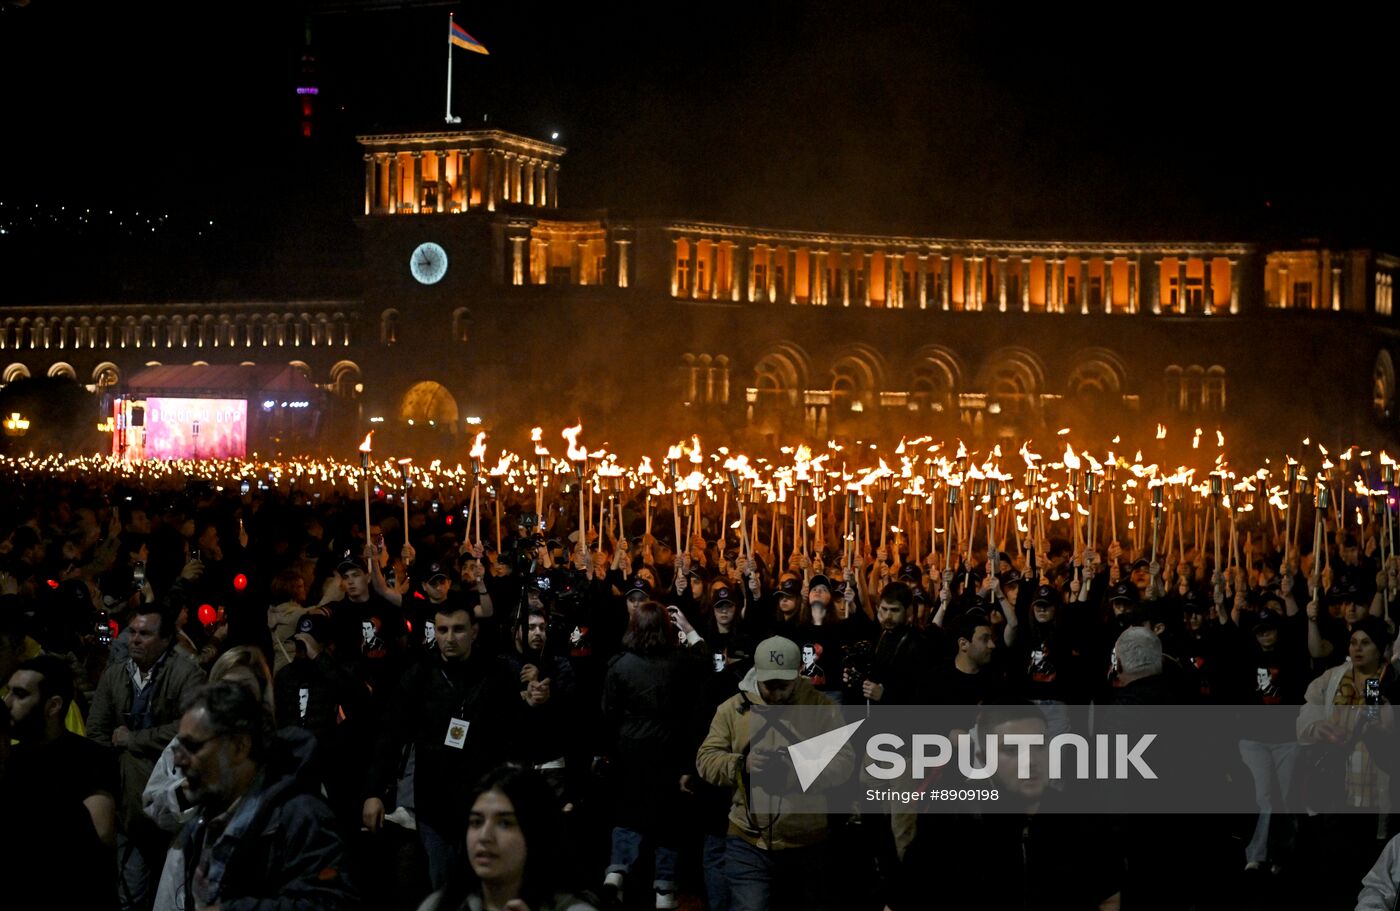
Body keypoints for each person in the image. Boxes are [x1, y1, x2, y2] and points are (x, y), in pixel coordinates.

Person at [890, 704, 1123, 910]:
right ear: (984, 759)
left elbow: (1109, 898)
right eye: (1011, 750)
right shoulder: (950, 821)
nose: (1030, 761)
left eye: (1039, 745)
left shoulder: (1082, 818)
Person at [364, 602, 520, 890]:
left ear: (474, 632)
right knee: (444, 887)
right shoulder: (420, 675)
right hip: (435, 805)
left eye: (458, 629)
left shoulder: (495, 674)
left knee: (484, 886)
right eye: (442, 630)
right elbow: (391, 734)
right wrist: (374, 792)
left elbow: (514, 733)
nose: (449, 638)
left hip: (484, 800)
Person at [695, 635, 853, 911]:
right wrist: (741, 764)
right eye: (770, 685)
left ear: (798, 673)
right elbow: (706, 759)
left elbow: (844, 761)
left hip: (807, 839)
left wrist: (797, 772)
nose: (776, 693)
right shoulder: (732, 709)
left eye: (784, 685)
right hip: (747, 839)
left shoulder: (822, 709)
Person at [171, 681, 355, 909]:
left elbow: (333, 902)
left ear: (239, 747)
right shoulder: (212, 810)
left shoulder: (299, 816)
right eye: (179, 748)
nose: (179, 760)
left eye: (193, 747)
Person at [86, 603, 206, 911]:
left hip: (172, 798)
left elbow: (191, 726)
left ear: (165, 639)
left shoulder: (186, 674)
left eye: (145, 634)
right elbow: (96, 731)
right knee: (131, 892)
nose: (135, 640)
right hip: (128, 800)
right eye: (133, 632)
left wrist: (134, 740)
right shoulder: (115, 675)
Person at [600, 601, 707, 910]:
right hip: (669, 748)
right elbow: (706, 662)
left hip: (630, 748)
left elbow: (608, 713)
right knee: (667, 820)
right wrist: (689, 628)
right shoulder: (681, 662)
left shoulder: (619, 665)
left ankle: (617, 871)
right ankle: (664, 890)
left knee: (628, 812)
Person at [1297, 616, 1400, 908]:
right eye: (1354, 642)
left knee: (1367, 863)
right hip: (1337, 787)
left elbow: (1389, 734)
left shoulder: (1389, 682)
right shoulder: (1333, 678)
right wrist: (1318, 728)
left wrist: (1383, 726)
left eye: (1366, 643)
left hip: (1375, 788)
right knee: (1334, 861)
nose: (1357, 649)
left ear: (1381, 649)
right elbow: (1308, 711)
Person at [2, 654, 119, 909]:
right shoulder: (11, 759)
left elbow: (100, 837)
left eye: (20, 694)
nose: (7, 702)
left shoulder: (90, 758)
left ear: (53, 705)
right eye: (8, 691)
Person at [417, 766, 598, 911]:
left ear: (536, 833)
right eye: (476, 822)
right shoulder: (440, 905)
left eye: (505, 823)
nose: (484, 836)